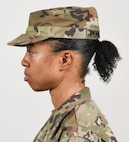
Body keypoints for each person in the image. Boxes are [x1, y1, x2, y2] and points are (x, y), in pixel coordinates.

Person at [8, 6, 121, 142]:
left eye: (31, 52)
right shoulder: (67, 119)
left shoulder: (78, 133)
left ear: (65, 60)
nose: (24, 61)